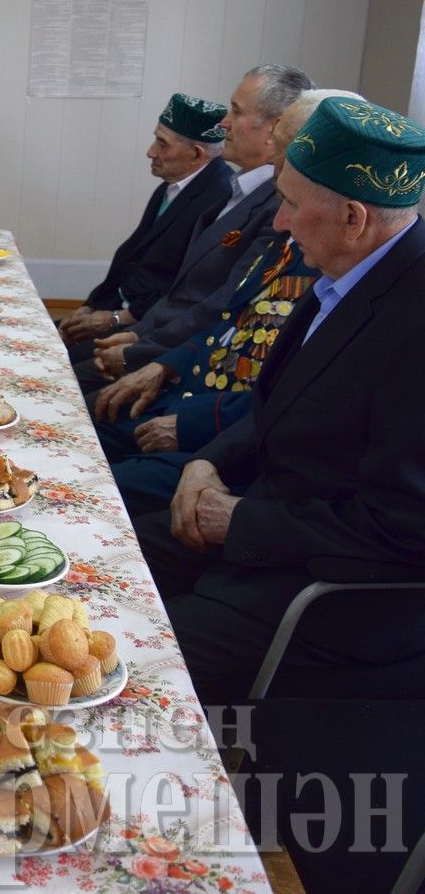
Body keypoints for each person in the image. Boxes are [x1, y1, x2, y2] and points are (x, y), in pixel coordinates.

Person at [134, 97, 425, 707]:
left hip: (321, 590)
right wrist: (207, 461)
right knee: (93, 567)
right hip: (261, 528)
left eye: (291, 204)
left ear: (352, 216)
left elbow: (403, 530)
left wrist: (242, 521)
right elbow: (275, 407)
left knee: (127, 669)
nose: (278, 223)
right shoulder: (345, 273)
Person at [92, 90, 361, 514]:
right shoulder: (292, 240)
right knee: (70, 431)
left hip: (222, 439)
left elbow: (284, 399)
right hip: (189, 393)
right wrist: (164, 365)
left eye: (283, 142)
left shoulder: (335, 265)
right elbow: (230, 318)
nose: (271, 145)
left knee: (89, 488)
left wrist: (193, 423)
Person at [75, 65, 313, 390]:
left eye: (236, 111)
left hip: (182, 366)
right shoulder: (235, 188)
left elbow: (221, 305)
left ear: (274, 128)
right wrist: (135, 333)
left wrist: (139, 347)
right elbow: (177, 288)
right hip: (152, 336)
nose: (224, 123)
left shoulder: (274, 208)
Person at [58, 93, 232, 345]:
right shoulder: (172, 185)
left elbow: (184, 288)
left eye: (163, 144)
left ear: (196, 154)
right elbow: (130, 256)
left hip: (147, 328)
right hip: (117, 308)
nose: (151, 152)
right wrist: (91, 306)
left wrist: (116, 319)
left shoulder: (219, 198)